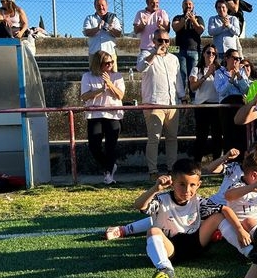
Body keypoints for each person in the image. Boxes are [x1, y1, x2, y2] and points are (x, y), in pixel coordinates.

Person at [135, 158, 244, 278]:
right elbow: (139, 205)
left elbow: (225, 209)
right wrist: (155, 189)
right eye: (181, 184)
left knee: (218, 216)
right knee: (152, 231)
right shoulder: (161, 200)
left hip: (195, 244)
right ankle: (165, 268)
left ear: (198, 185)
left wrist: (240, 230)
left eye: (192, 185)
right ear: (172, 183)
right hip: (171, 250)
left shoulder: (198, 201)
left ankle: (249, 252)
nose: (187, 190)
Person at [136, 28, 184, 179]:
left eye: (166, 40)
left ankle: (172, 170)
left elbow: (178, 80)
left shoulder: (173, 59)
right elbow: (140, 68)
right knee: (154, 138)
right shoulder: (145, 54)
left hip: (172, 103)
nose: (163, 43)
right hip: (154, 103)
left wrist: (182, 97)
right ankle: (153, 171)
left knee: (172, 138)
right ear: (154, 40)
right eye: (160, 40)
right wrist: (154, 55)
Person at [80, 51, 125, 184]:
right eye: (106, 63)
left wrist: (110, 84)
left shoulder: (117, 76)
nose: (110, 65)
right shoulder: (87, 76)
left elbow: (120, 96)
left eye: (112, 62)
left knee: (111, 146)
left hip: (113, 114)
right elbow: (84, 96)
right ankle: (109, 166)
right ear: (98, 64)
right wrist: (101, 90)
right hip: (95, 114)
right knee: (94, 146)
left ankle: (108, 174)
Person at [188, 44, 222, 162]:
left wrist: (215, 74)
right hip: (202, 106)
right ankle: (197, 163)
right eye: (208, 52)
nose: (211, 55)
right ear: (203, 54)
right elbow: (192, 87)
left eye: (213, 53)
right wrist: (206, 76)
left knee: (217, 136)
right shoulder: (196, 69)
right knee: (201, 136)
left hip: (216, 105)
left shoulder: (220, 71)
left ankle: (217, 163)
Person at [214, 48, 251, 154]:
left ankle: (241, 160)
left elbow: (246, 90)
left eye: (239, 59)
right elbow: (221, 91)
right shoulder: (219, 73)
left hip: (239, 103)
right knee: (228, 133)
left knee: (241, 133)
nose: (237, 61)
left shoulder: (242, 72)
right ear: (226, 58)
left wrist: (239, 76)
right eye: (234, 58)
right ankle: (230, 161)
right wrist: (230, 80)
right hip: (226, 105)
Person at [171, 0, 204, 95]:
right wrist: (184, 19)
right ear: (182, 6)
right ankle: (182, 98)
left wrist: (193, 20)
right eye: (186, 4)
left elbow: (200, 30)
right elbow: (175, 28)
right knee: (181, 75)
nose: (188, 6)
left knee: (193, 75)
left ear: (193, 6)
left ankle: (193, 98)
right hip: (180, 50)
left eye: (190, 4)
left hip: (194, 51)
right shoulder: (177, 17)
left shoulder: (199, 18)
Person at [82, 0, 122, 69]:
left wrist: (110, 28)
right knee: (94, 77)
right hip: (94, 53)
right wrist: (97, 29)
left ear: (107, 6)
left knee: (113, 77)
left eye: (103, 5)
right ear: (95, 7)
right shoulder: (89, 18)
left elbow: (118, 34)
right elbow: (86, 32)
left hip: (110, 52)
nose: (101, 7)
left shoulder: (114, 18)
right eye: (98, 5)